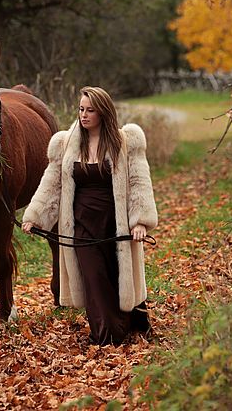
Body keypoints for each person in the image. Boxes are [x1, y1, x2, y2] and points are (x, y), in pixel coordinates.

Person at [22, 86, 158, 346]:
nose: (83, 115)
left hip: (114, 222)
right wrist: (35, 216)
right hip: (81, 223)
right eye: (81, 109)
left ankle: (127, 322)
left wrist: (140, 221)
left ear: (103, 112)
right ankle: (106, 334)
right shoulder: (66, 143)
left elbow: (140, 182)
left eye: (90, 110)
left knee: (115, 275)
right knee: (94, 277)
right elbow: (52, 183)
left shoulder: (125, 141)